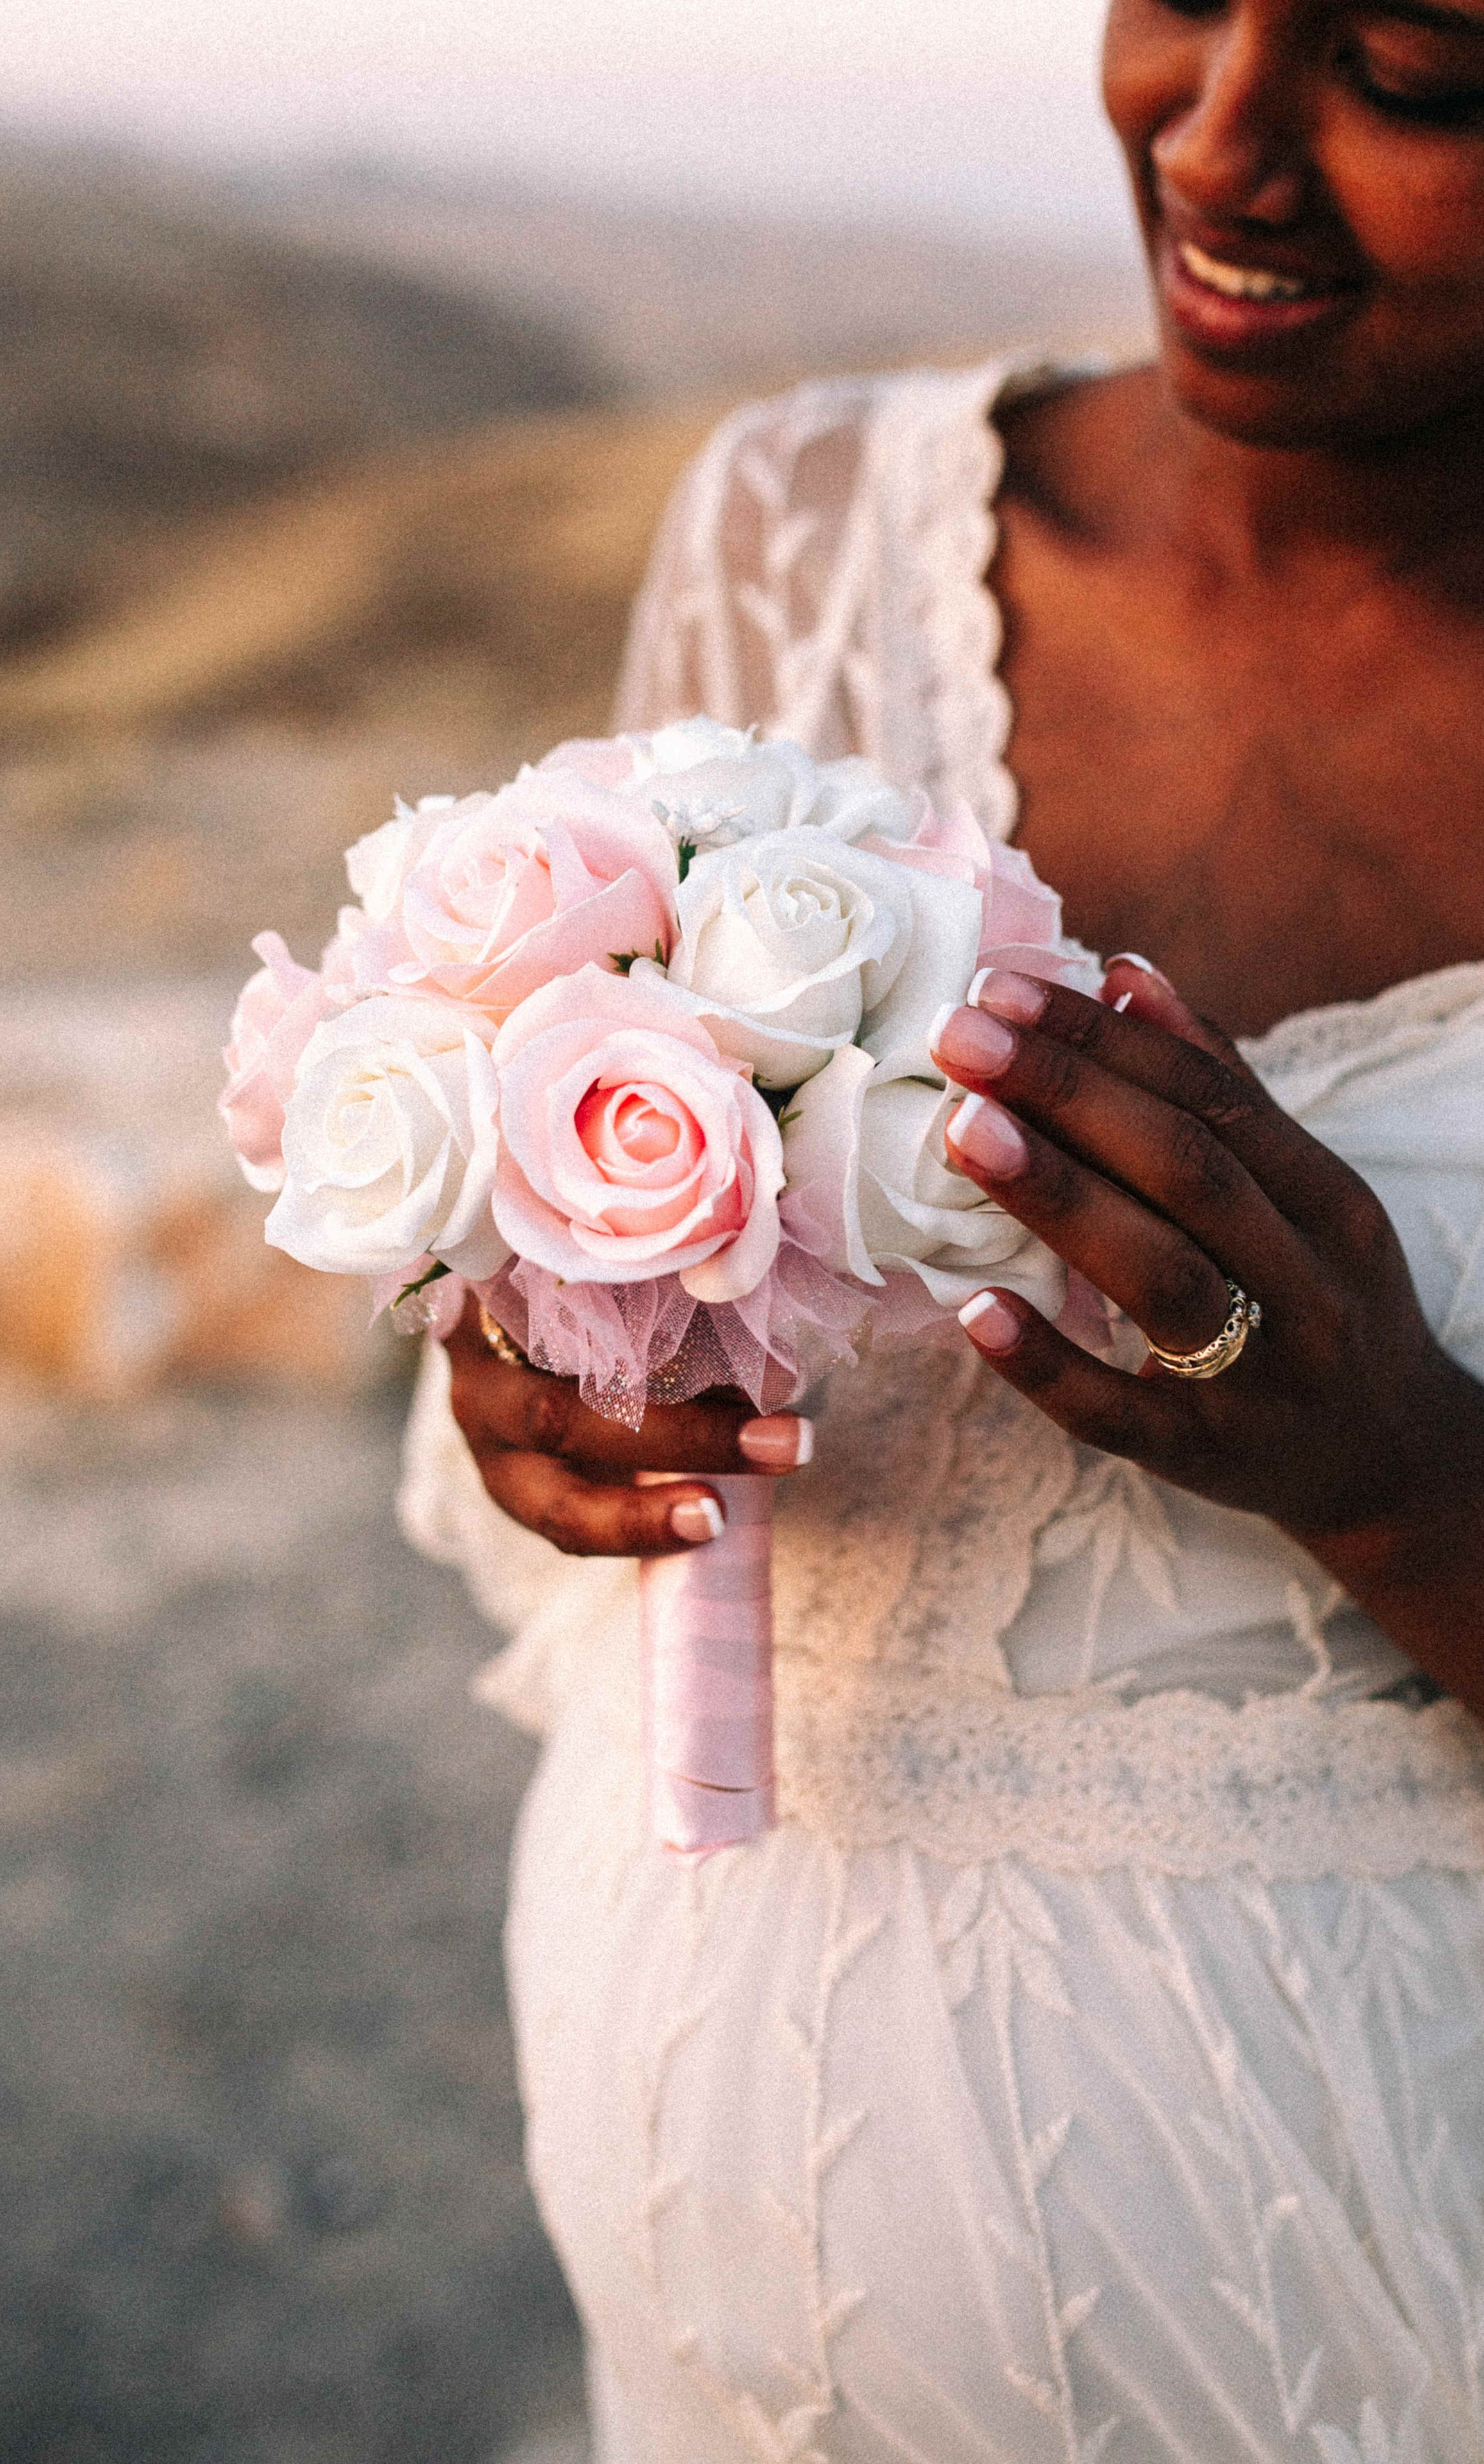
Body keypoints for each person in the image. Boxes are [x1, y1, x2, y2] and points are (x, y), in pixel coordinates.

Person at [401, 3, 1484, 2454]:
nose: (1220, 142)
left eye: (1418, 67)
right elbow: (611, 1315)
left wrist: (1401, 1469)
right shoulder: (804, 533)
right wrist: (543, 1361)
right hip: (719, 2221)